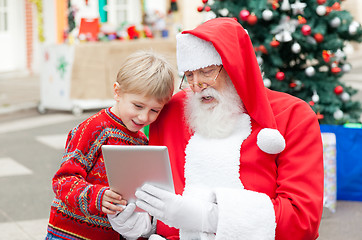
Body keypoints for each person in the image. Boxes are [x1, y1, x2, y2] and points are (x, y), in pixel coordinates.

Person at [134, 18, 324, 240]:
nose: (197, 86)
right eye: (189, 75)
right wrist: (137, 224)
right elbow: (152, 196)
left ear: (237, 68)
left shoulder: (292, 115)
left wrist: (208, 216)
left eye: (207, 71)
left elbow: (301, 220)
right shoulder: (172, 112)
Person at [45, 50, 175, 240]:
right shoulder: (94, 128)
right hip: (69, 234)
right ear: (117, 92)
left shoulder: (142, 142)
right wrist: (97, 196)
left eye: (154, 110)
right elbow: (63, 180)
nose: (144, 117)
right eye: (138, 106)